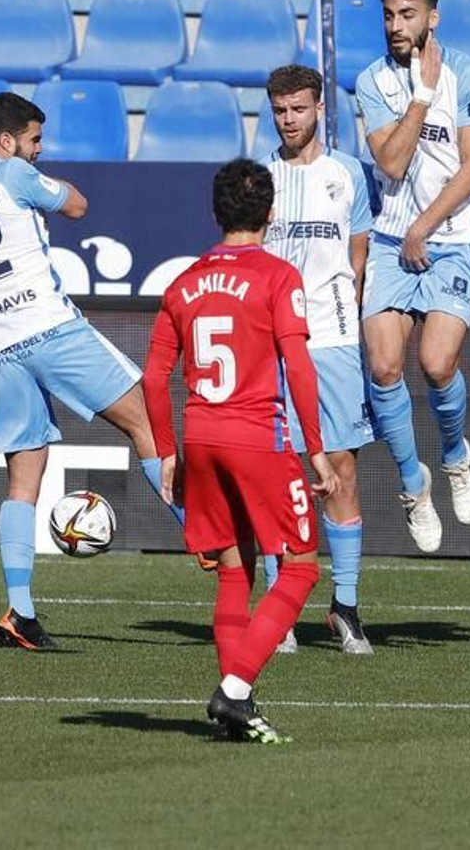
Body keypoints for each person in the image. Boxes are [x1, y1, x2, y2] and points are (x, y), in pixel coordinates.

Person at [0, 92, 183, 651]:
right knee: (148, 420)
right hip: (49, 330)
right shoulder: (14, 173)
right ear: (6, 142)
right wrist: (44, 182)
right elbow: (77, 204)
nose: (39, 151)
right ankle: (204, 539)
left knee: (23, 483)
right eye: (34, 141)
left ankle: (20, 612)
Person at [143, 158, 339, 743]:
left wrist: (168, 452)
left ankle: (238, 703)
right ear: (271, 214)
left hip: (200, 436)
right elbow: (298, 366)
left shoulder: (183, 283)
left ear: (215, 213)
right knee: (300, 566)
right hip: (257, 437)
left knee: (234, 569)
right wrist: (317, 449)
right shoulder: (278, 276)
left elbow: (154, 379)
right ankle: (234, 690)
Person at [355, 0, 470, 553]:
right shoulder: (371, 80)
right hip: (390, 242)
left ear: (432, 18)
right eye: (389, 15)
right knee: (384, 368)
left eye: (407, 14)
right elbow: (390, 162)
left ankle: (457, 455)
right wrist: (421, 93)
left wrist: (424, 227)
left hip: (450, 240)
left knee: (437, 364)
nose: (395, 25)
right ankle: (414, 483)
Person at [257, 63, 376, 654]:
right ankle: (278, 608)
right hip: (269, 343)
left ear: (320, 109)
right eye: (280, 110)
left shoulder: (348, 173)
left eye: (299, 109)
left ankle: (345, 607)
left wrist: (347, 316)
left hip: (331, 339)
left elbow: (358, 260)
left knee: (342, 468)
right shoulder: (259, 179)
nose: (289, 119)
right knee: (274, 472)